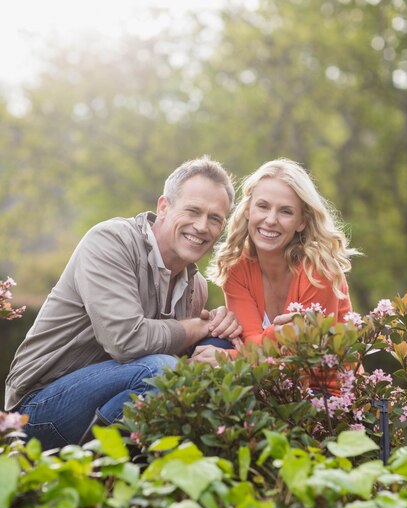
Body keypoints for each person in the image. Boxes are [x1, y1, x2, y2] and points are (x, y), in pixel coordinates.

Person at [5, 156, 242, 449]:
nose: (202, 226)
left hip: (112, 403)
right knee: (160, 370)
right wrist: (197, 326)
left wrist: (218, 328)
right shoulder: (111, 241)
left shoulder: (197, 287)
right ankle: (104, 473)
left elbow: (180, 361)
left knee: (218, 348)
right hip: (36, 411)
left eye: (215, 218)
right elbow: (125, 341)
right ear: (164, 207)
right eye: (192, 211)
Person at [192, 158, 358, 363]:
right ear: (248, 210)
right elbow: (251, 343)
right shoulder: (237, 267)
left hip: (325, 386)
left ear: (301, 222)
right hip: (268, 382)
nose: (271, 220)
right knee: (215, 343)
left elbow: (305, 362)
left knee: (218, 355)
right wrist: (276, 335)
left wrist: (230, 359)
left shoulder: (319, 269)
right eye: (263, 206)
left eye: (286, 211)